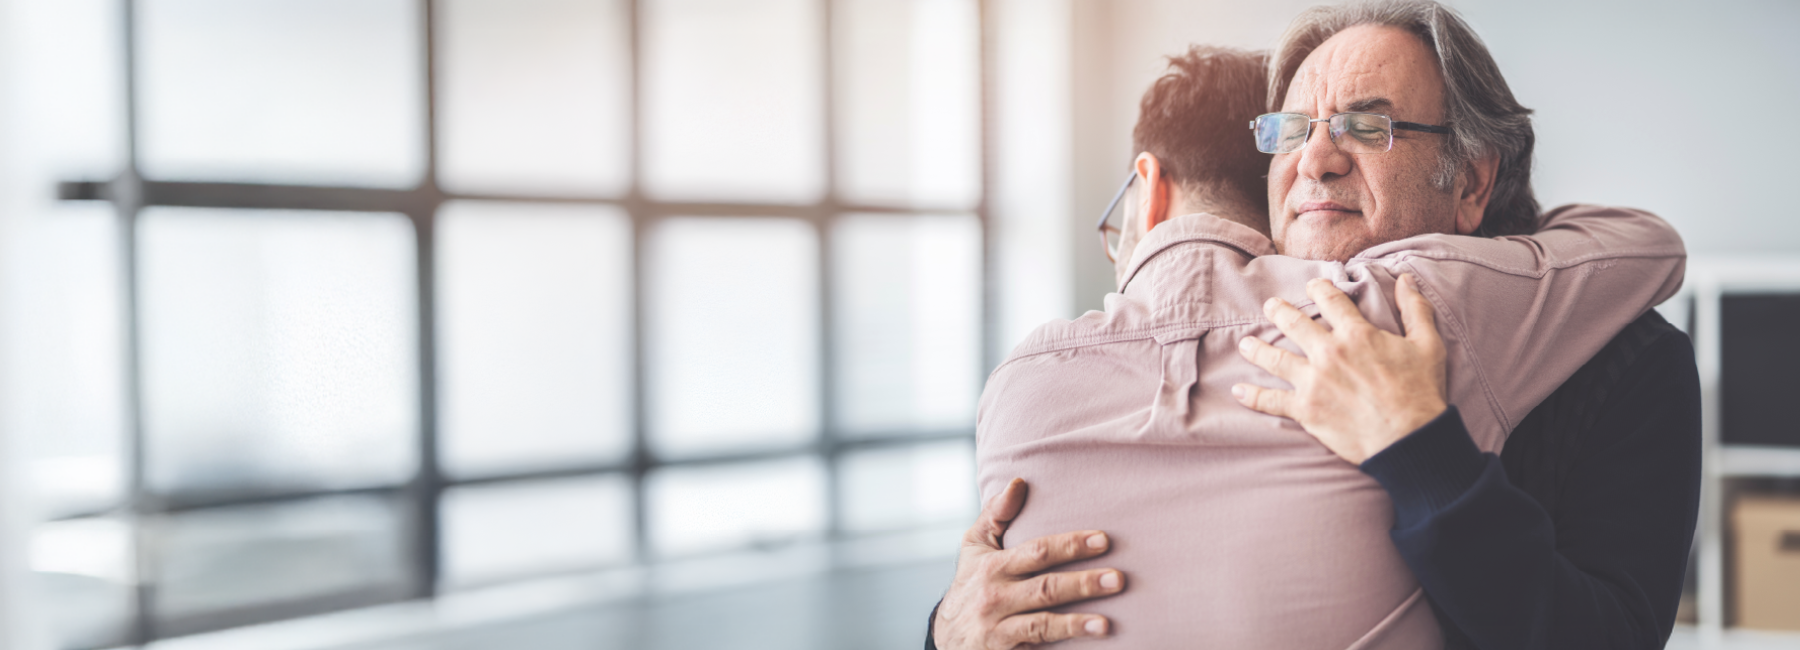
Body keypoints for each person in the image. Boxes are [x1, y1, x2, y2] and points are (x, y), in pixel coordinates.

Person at [927, 2, 1700, 649]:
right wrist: (947, 627)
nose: (1317, 159)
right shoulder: (1187, 352)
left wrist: (1421, 452)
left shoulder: (1623, 355)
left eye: (1369, 127)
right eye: (1293, 132)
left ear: (1469, 180)